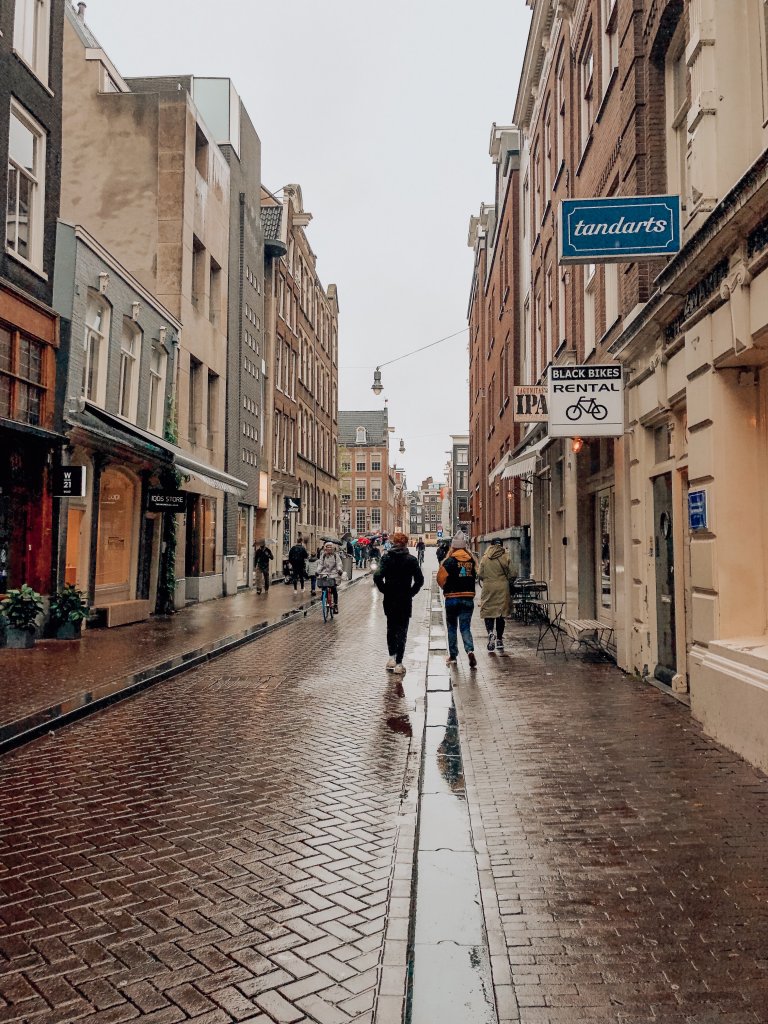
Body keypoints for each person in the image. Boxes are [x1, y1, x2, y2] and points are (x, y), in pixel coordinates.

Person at [374, 532, 424, 676]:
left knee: (391, 628)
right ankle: (399, 663)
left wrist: (385, 590)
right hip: (404, 599)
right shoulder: (412, 560)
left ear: (393, 543)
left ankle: (391, 657)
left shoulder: (386, 558)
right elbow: (420, 581)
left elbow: (377, 576)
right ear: (406, 543)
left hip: (390, 598)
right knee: (402, 631)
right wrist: (411, 593)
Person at [437, 531, 478, 668]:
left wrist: (446, 588)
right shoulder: (471, 561)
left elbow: (440, 578)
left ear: (453, 547)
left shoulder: (449, 561)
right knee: (465, 627)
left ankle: (453, 656)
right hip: (468, 598)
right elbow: (475, 576)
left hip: (452, 598)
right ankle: (470, 650)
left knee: (452, 627)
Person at [478, 539, 513, 653]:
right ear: (501, 546)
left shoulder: (485, 557)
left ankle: (490, 633)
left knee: (488, 611)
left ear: (491, 545)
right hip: (502, 588)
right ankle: (499, 640)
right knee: (500, 614)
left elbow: (480, 574)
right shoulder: (505, 556)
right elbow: (513, 573)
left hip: (488, 588)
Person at [316, 542, 344, 612]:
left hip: (333, 573)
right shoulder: (323, 555)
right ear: (325, 548)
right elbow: (320, 564)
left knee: (334, 589)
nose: (329, 548)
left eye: (330, 547)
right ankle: (324, 596)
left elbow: (338, 564)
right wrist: (317, 571)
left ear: (333, 548)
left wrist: (339, 570)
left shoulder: (335, 555)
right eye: (327, 547)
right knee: (323, 585)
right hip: (325, 572)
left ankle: (335, 605)